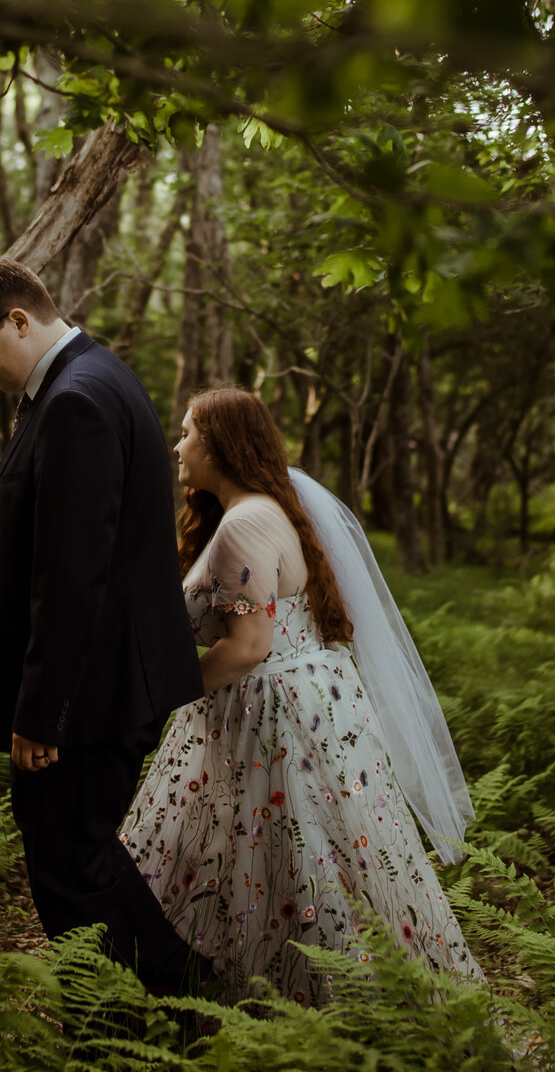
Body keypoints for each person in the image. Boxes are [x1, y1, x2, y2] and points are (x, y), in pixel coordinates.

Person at [121, 387, 483, 1006]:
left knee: (288, 859)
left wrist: (154, 699)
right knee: (287, 859)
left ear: (220, 444)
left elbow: (249, 644)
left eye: (187, 433)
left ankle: (287, 1007)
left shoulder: (244, 525)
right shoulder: (261, 512)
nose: (177, 446)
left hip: (271, 719)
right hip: (298, 707)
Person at [0, 256, 209, 990]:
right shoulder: (89, 378)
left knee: (70, 864)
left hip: (89, 696)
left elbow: (73, 577)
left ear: (18, 321)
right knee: (78, 856)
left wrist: (43, 713)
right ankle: (150, 1003)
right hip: (102, 687)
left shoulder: (76, 400)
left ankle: (162, 1004)